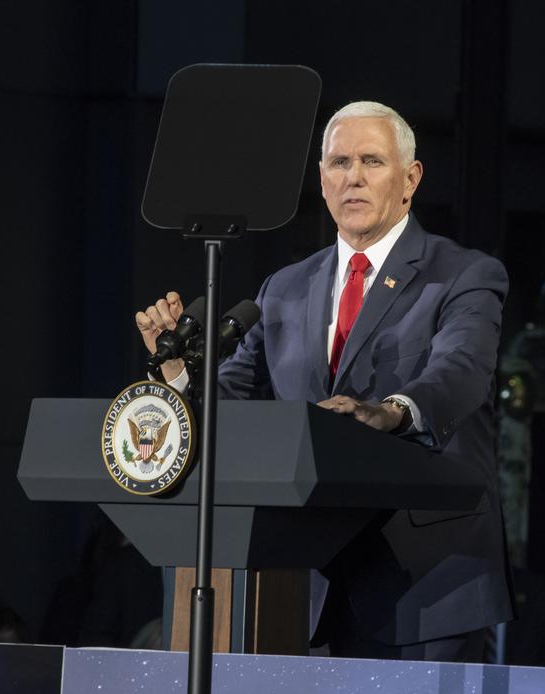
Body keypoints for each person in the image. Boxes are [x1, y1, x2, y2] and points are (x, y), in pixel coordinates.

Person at [136, 101, 513, 661]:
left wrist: (390, 411)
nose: (353, 177)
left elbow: (460, 374)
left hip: (426, 582)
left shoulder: (464, 275)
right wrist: (176, 374)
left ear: (410, 179)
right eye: (339, 162)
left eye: (371, 161)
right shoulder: (282, 288)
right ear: (320, 179)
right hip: (302, 588)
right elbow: (231, 402)